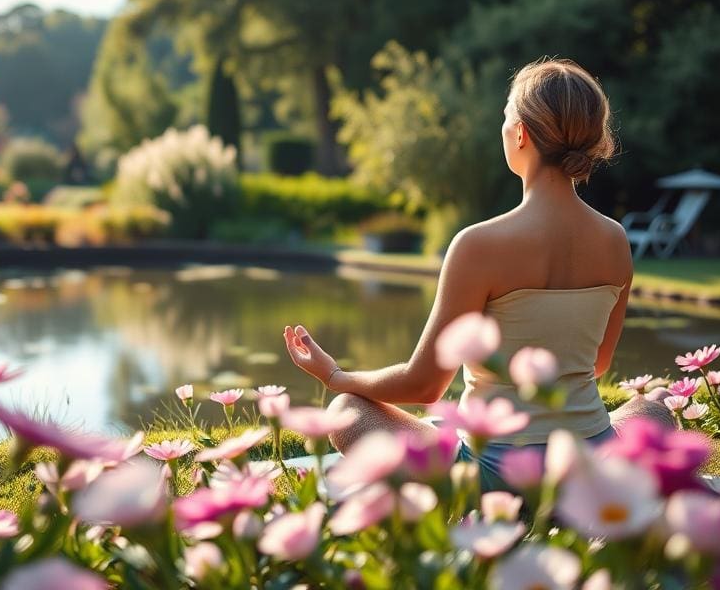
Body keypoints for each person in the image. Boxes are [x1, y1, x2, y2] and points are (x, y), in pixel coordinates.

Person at [282, 58, 672, 490]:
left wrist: (334, 377)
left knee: (347, 413)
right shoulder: (616, 240)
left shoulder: (478, 245)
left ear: (521, 133)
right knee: (654, 408)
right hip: (592, 461)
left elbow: (426, 384)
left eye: (506, 119)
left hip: (493, 477)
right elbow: (597, 364)